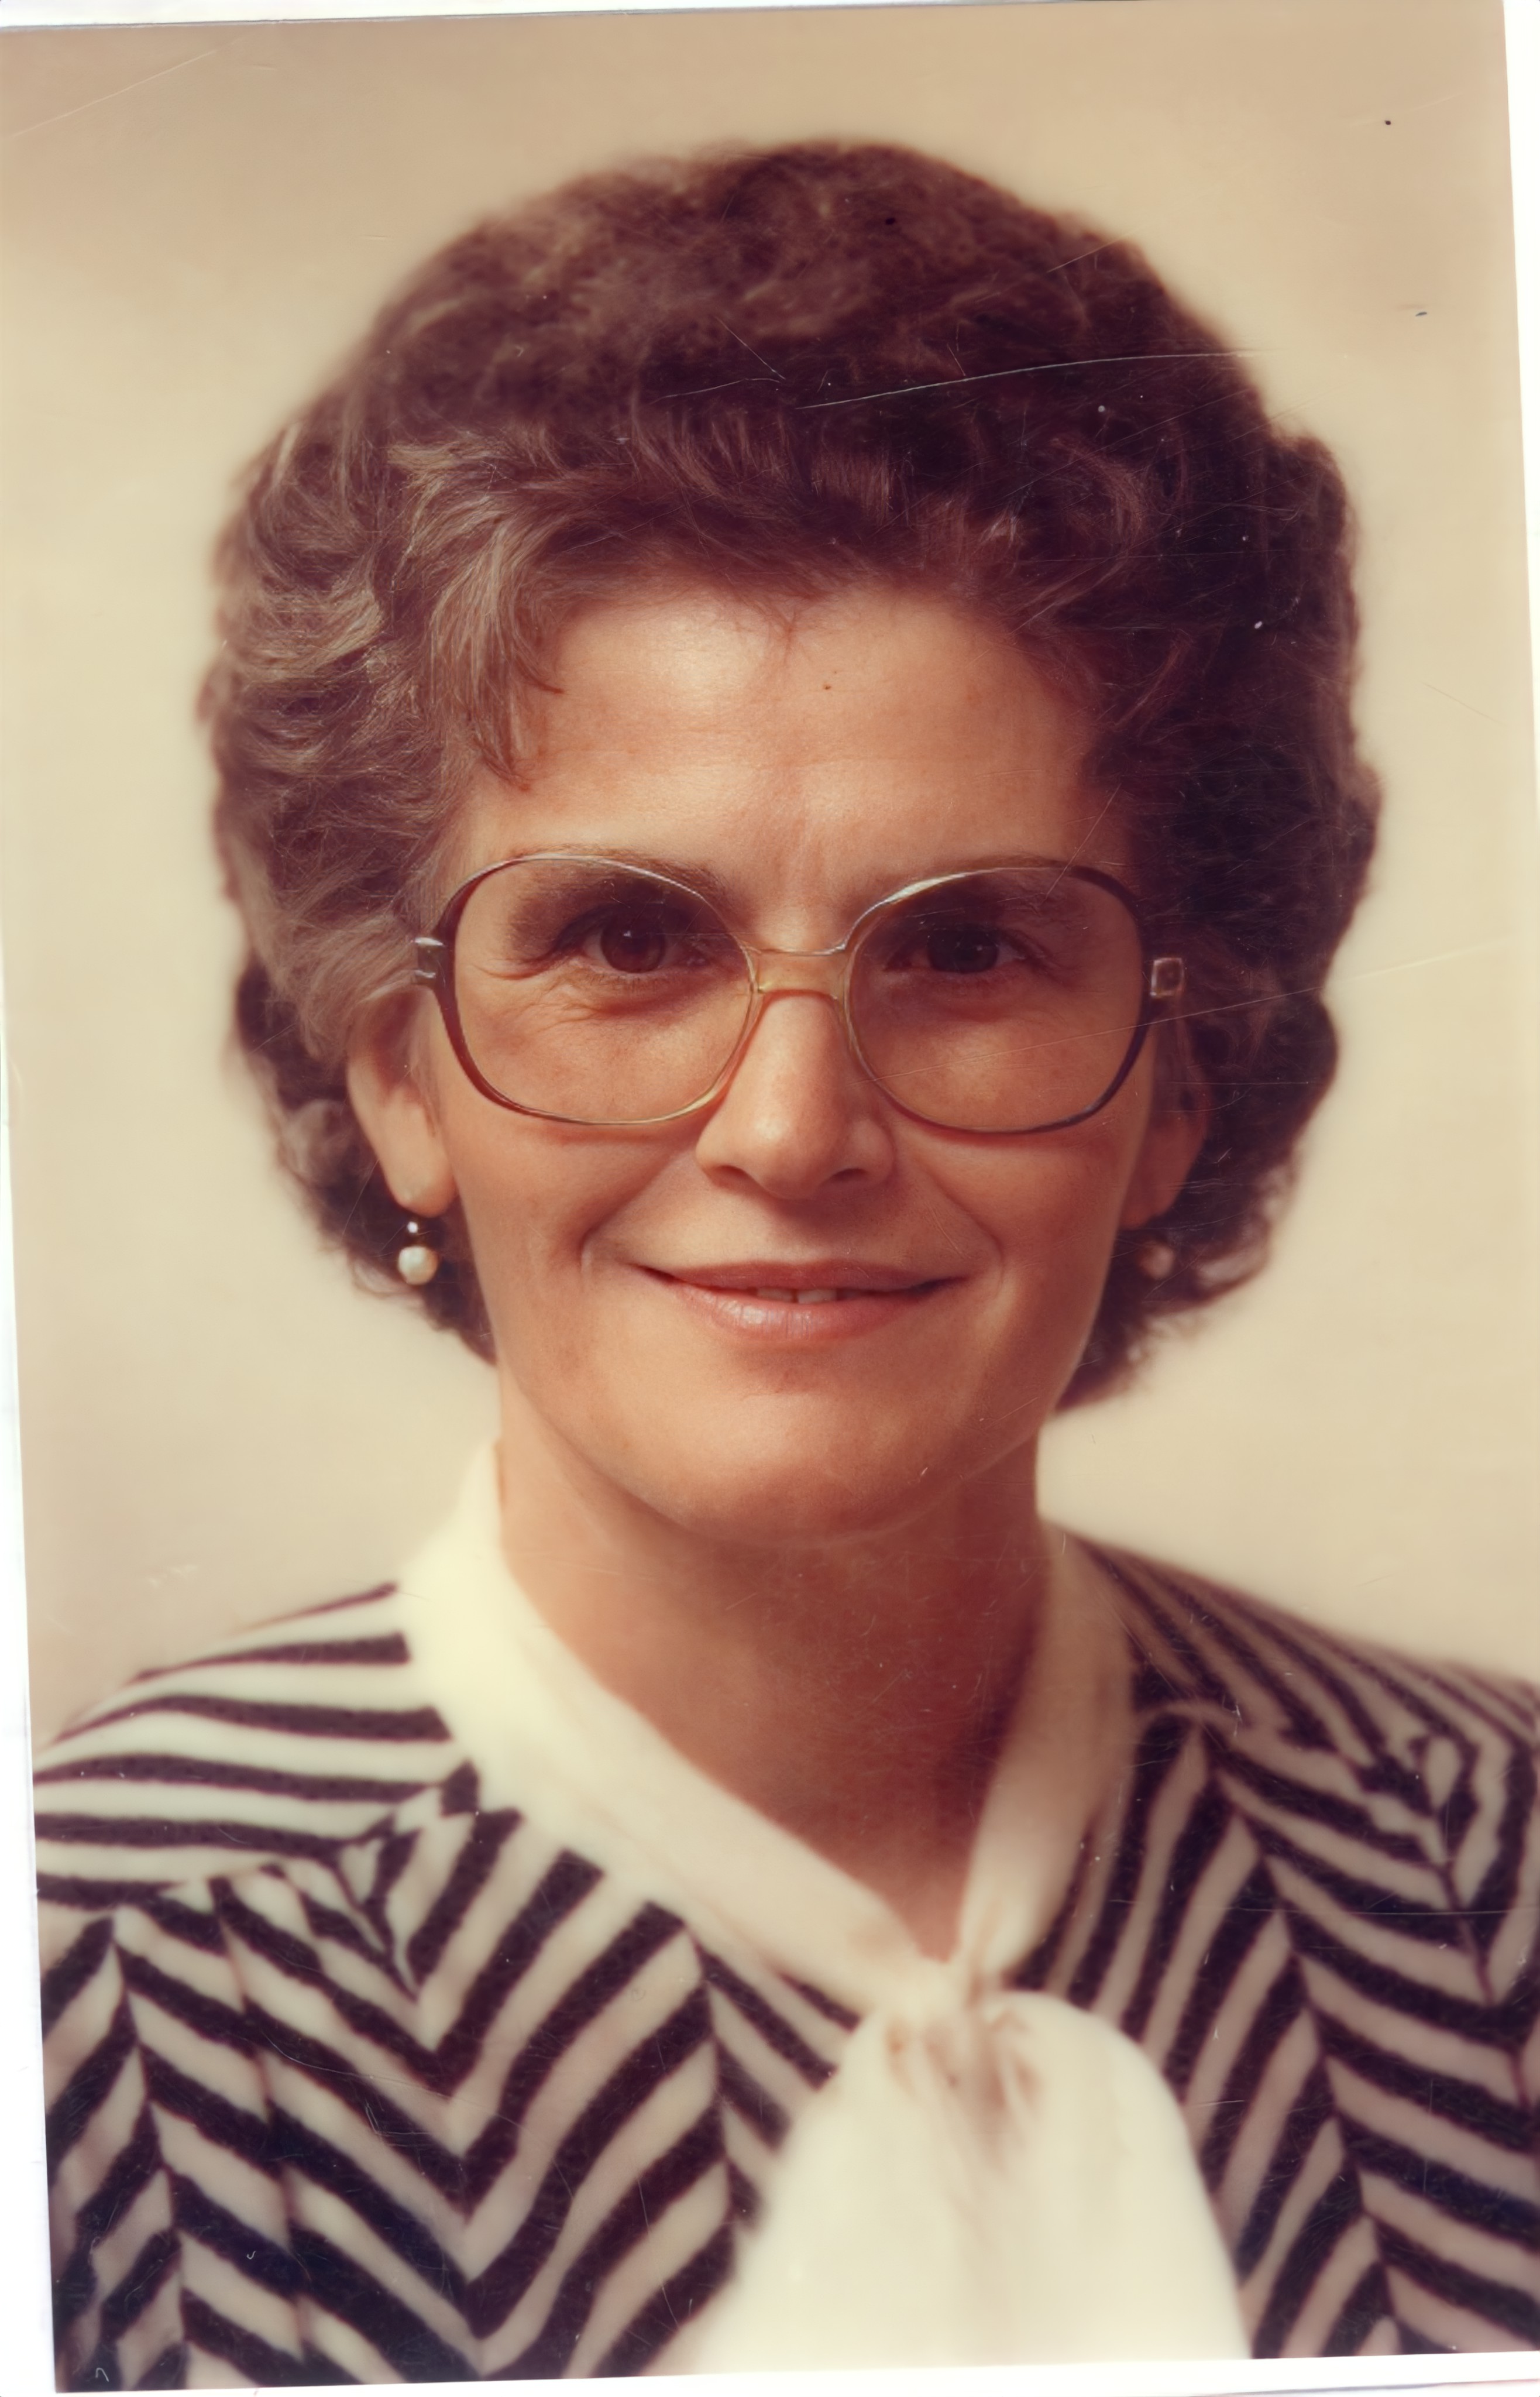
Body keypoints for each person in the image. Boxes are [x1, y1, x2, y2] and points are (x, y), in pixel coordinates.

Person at [34, 140, 1539, 2388]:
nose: (790, 1131)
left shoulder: (1497, 1869)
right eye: (627, 939)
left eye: (970, 948)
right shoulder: (81, 1983)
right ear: (401, 1072)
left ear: (1184, 1080)